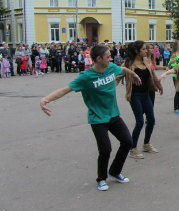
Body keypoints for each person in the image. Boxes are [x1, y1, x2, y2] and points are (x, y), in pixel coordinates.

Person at [40, 45, 141, 191]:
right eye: (108, 57)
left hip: (113, 115)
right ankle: (101, 179)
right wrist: (46, 99)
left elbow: (122, 69)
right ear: (99, 59)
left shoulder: (111, 68)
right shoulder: (85, 77)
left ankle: (114, 171)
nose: (111, 59)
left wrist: (133, 74)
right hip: (98, 119)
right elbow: (65, 90)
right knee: (105, 150)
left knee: (127, 142)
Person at [119, 41, 162, 160]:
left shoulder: (146, 61)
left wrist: (159, 86)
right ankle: (133, 149)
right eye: (143, 49)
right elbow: (118, 77)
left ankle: (146, 144)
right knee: (139, 122)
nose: (146, 51)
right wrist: (110, 88)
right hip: (135, 95)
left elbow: (152, 75)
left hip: (146, 94)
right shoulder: (128, 63)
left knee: (151, 120)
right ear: (137, 51)